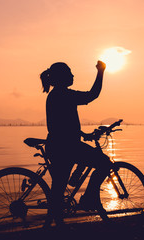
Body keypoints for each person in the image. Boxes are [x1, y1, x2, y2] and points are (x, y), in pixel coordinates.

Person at [40, 60, 112, 226]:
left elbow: (62, 123)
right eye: (70, 73)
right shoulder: (64, 94)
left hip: (59, 145)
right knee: (104, 163)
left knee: (58, 188)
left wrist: (82, 134)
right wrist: (101, 72)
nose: (73, 75)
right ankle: (89, 199)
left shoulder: (56, 95)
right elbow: (92, 94)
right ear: (62, 77)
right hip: (66, 148)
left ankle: (55, 225)